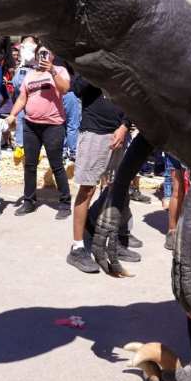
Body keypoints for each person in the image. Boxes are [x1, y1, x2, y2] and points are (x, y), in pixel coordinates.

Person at [67, 76, 130, 272]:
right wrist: (96, 67)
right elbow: (76, 88)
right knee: (87, 189)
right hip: (94, 133)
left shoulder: (122, 63)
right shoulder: (91, 62)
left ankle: (108, 239)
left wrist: (125, 125)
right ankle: (77, 248)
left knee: (114, 189)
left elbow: (132, 98)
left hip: (118, 134)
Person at [9, 45, 72, 216]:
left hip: (53, 126)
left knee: (56, 165)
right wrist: (12, 115)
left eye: (46, 52)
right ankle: (29, 201)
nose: (43, 56)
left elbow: (64, 88)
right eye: (40, 53)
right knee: (30, 165)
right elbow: (22, 98)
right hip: (31, 125)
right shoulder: (30, 75)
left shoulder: (60, 70)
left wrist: (51, 71)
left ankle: (65, 204)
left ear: (53, 55)